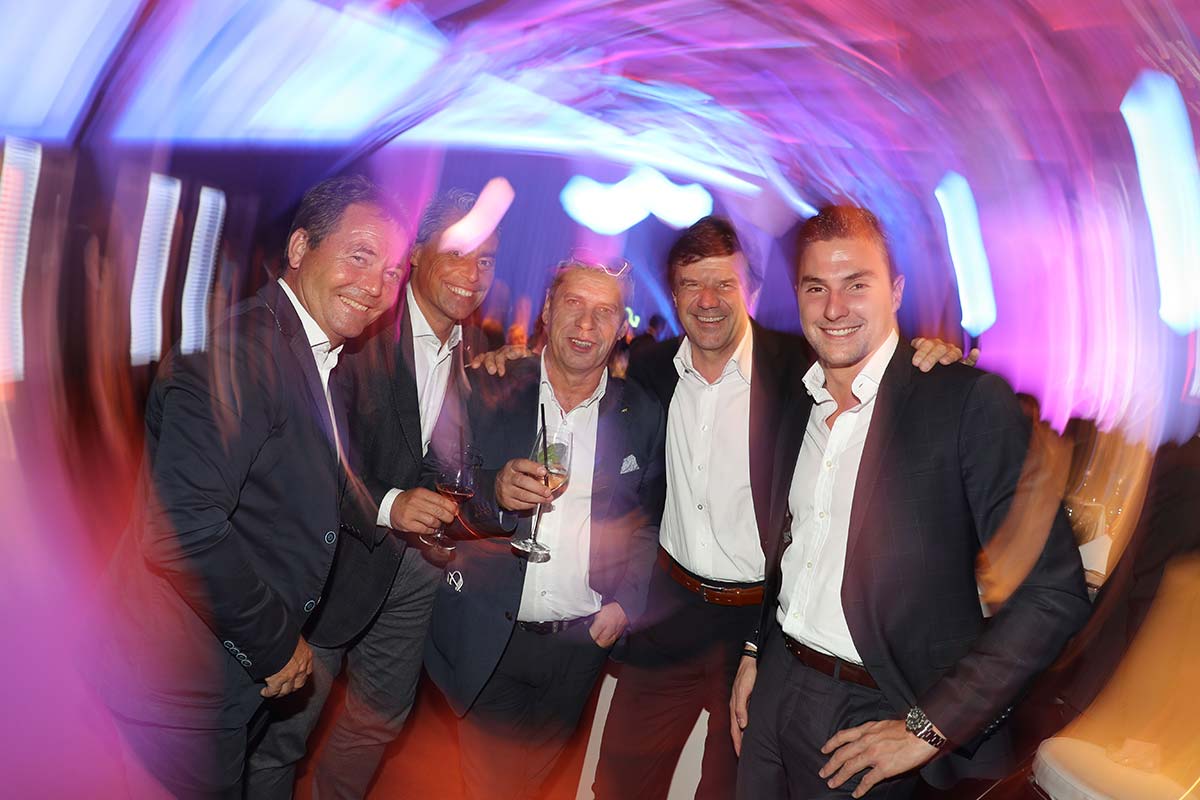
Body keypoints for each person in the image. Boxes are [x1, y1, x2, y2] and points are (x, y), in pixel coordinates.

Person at [593, 216, 969, 800]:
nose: (709, 300)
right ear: (674, 294)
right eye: (692, 284)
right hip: (668, 613)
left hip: (756, 625)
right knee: (618, 783)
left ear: (752, 289)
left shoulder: (804, 367)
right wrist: (511, 364)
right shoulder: (651, 370)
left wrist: (931, 358)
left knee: (728, 788)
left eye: (725, 283)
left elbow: (881, 371)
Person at [731, 205, 1090, 799]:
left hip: (870, 710)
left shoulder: (962, 402)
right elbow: (789, 547)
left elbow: (1052, 593)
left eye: (857, 284)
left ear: (895, 291)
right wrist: (755, 650)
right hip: (775, 682)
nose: (834, 308)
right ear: (797, 296)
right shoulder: (798, 401)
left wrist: (931, 726)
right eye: (816, 287)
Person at [88, 175, 408, 798]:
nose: (375, 286)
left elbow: (294, 484)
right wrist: (275, 643)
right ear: (300, 248)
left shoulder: (316, 352)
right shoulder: (242, 351)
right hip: (177, 682)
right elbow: (181, 529)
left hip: (216, 670)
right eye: (360, 255)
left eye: (392, 271)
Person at [244, 188, 502, 798]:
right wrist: (390, 504)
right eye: (458, 253)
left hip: (414, 571)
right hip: (332, 565)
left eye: (487, 261)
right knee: (284, 735)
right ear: (416, 253)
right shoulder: (359, 324)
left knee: (377, 723)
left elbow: (452, 459)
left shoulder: (474, 350)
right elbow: (315, 458)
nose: (472, 274)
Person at [423, 256, 667, 800]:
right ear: (548, 310)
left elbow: (648, 520)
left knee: (538, 787)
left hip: (581, 646)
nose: (586, 324)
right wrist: (494, 492)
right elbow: (433, 486)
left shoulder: (643, 414)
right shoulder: (488, 385)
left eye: (604, 311)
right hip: (492, 635)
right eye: (574, 304)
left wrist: (627, 602)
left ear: (622, 326)